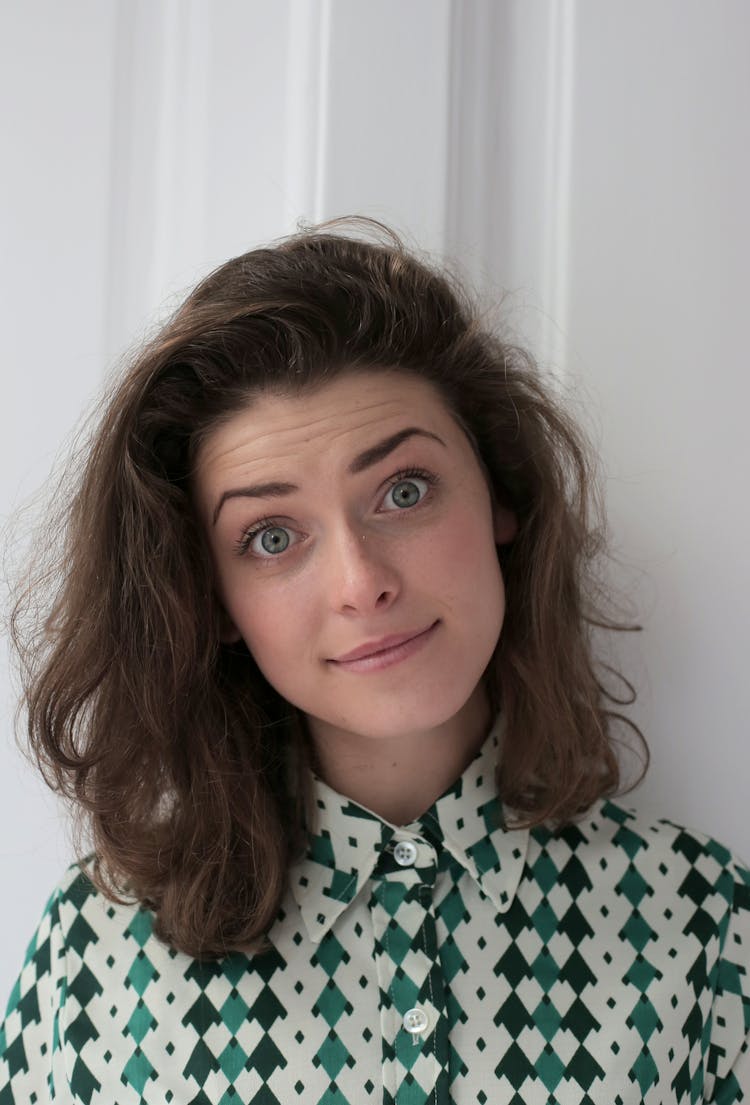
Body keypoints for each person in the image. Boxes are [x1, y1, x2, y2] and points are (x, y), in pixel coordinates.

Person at [1, 220, 748, 1105]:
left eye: (403, 490)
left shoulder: (700, 923)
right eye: (271, 537)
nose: (361, 584)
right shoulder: (97, 949)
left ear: (501, 493)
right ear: (211, 600)